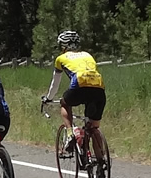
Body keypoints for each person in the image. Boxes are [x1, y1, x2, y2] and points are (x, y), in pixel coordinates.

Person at [42, 30, 106, 165]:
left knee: (65, 103)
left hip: (79, 85)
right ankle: (101, 162)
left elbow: (55, 84)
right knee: (94, 127)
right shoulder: (88, 55)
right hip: (99, 88)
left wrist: (48, 98)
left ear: (63, 46)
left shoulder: (61, 58)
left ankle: (70, 133)